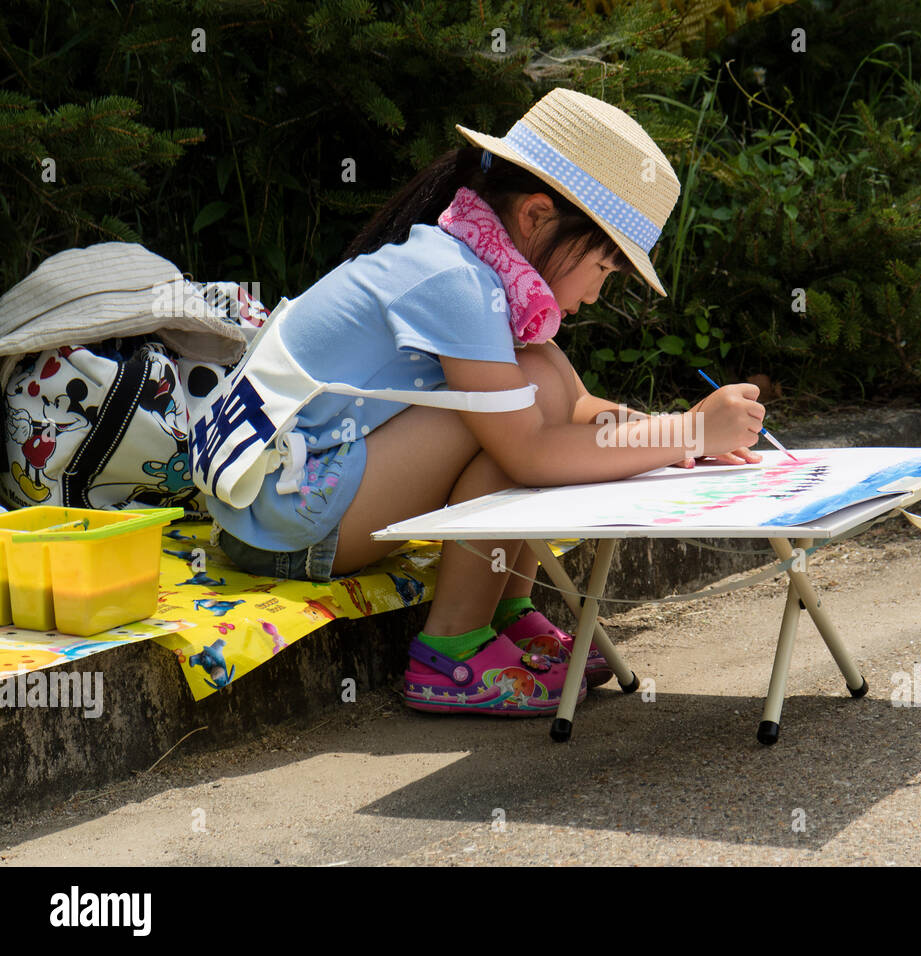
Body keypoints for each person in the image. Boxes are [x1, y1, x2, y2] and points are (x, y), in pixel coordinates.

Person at [207, 88, 766, 716]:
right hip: (288, 525)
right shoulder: (457, 283)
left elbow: (578, 407)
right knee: (514, 436)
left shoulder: (466, 266)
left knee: (539, 394)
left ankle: (505, 610)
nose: (597, 294)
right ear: (535, 217)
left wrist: (683, 437)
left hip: (284, 504)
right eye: (605, 270)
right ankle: (453, 652)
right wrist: (686, 435)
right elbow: (529, 452)